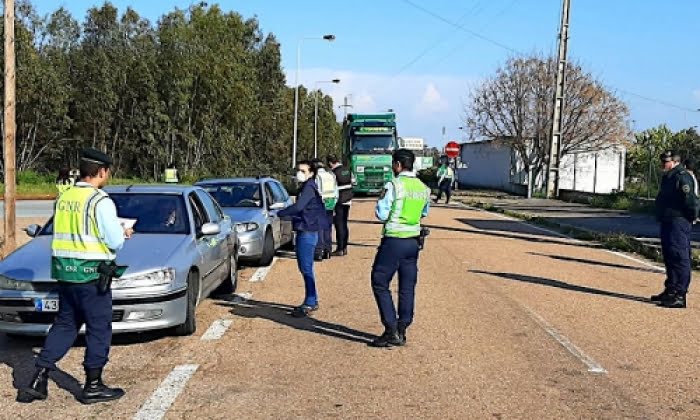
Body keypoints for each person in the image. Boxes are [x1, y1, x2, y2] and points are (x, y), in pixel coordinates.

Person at [20, 148, 133, 404]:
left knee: (65, 324)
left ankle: (39, 377)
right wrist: (124, 233)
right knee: (99, 328)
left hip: (65, 273)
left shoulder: (63, 198)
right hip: (92, 276)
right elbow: (113, 241)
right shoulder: (99, 201)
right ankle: (93, 385)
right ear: (102, 172)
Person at [369, 149, 430, 347]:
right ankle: (403, 327)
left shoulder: (394, 185)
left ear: (397, 165)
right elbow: (424, 212)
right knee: (407, 286)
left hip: (394, 239)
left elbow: (382, 213)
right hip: (413, 242)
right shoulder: (423, 187)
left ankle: (390, 328)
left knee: (379, 281)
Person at [278, 160, 327, 317]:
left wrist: (280, 213)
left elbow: (299, 207)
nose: (299, 173)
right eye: (298, 170)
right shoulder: (307, 187)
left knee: (306, 268)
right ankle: (311, 299)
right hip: (306, 228)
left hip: (307, 230)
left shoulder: (308, 188)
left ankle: (310, 302)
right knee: (305, 268)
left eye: (303, 171)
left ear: (311, 173)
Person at [651, 151, 699, 309]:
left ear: (675, 161)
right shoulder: (670, 176)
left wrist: (691, 217)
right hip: (668, 220)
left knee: (679, 256)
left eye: (665, 161)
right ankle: (671, 289)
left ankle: (680, 293)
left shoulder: (681, 177)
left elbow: (691, 201)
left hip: (678, 221)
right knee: (669, 255)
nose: (662, 164)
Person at [327, 155, 353, 256]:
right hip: (348, 200)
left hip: (339, 201)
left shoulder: (333, 173)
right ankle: (345, 247)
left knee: (339, 225)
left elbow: (332, 187)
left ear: (330, 163)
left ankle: (340, 248)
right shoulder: (347, 170)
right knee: (344, 224)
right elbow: (353, 182)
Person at [312, 158, 338, 261]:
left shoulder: (316, 176)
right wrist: (334, 202)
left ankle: (318, 252)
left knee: (319, 229)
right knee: (327, 228)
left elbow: (315, 191)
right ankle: (328, 250)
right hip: (331, 203)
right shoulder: (331, 175)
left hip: (320, 203)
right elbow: (336, 190)